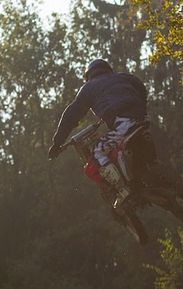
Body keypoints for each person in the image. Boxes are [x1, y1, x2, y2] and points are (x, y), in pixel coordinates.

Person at [48, 59, 148, 209]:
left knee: (97, 153)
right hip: (143, 118)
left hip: (123, 124)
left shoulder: (89, 88)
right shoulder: (123, 77)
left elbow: (71, 115)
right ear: (108, 69)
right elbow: (141, 88)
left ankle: (123, 188)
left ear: (89, 75)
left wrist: (57, 143)